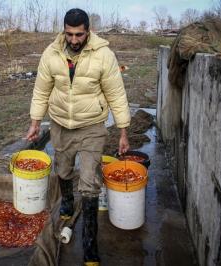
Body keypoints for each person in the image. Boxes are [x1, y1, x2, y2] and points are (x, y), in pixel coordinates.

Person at [26, 8, 130, 266]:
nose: (74, 40)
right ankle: (67, 204)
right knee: (62, 169)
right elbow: (41, 91)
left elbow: (116, 94)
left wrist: (123, 131)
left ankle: (90, 245)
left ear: (88, 31)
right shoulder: (51, 54)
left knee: (90, 181)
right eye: (69, 34)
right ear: (64, 31)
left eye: (79, 34)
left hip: (92, 126)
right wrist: (35, 123)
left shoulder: (104, 55)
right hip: (61, 124)